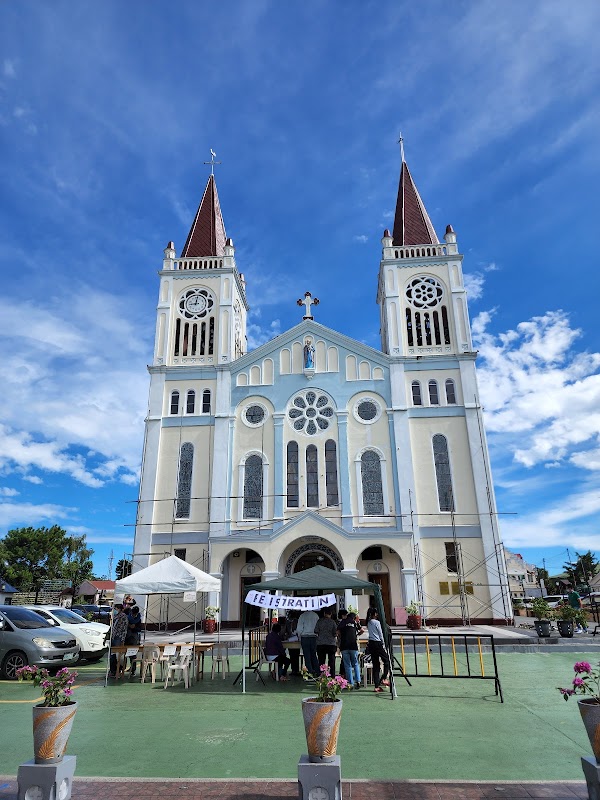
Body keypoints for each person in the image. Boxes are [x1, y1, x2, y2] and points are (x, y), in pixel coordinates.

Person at [366, 607, 391, 693]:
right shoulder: (377, 622)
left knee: (375, 664)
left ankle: (376, 686)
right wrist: (383, 643)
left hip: (371, 643)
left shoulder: (368, 622)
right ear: (375, 614)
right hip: (378, 643)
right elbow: (380, 633)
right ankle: (384, 678)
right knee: (386, 660)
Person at [338, 612, 363, 689]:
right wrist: (356, 635)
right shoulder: (355, 622)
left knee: (347, 665)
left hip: (344, 646)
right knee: (355, 664)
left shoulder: (342, 622)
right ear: (354, 617)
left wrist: (342, 637)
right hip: (353, 646)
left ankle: (351, 683)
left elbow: (338, 632)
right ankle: (358, 681)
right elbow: (362, 630)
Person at [315, 608, 338, 677]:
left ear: (324, 613)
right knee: (332, 660)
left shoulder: (319, 621)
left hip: (321, 643)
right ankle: (332, 675)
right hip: (331, 643)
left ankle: (322, 675)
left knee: (321, 661)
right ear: (330, 614)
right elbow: (335, 633)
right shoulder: (333, 622)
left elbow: (316, 631)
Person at [297, 607, 319, 677]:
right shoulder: (316, 615)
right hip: (314, 637)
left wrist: (299, 636)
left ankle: (310, 671)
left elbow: (299, 628)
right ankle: (317, 671)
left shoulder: (302, 616)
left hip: (305, 637)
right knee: (313, 655)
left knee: (307, 655)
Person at [109, 604, 129, 678]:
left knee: (119, 656)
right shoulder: (115, 616)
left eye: (116, 608)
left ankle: (119, 669)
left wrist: (122, 639)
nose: (114, 610)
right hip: (113, 637)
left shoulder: (123, 617)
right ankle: (112, 670)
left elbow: (124, 629)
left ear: (119, 609)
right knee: (112, 655)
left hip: (119, 637)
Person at [126, 605, 142, 676]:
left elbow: (139, 629)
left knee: (133, 654)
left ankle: (133, 669)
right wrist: (129, 626)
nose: (133, 614)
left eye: (135, 613)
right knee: (125, 653)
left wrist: (134, 627)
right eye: (133, 613)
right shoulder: (127, 617)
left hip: (134, 638)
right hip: (127, 637)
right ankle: (124, 667)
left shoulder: (139, 619)